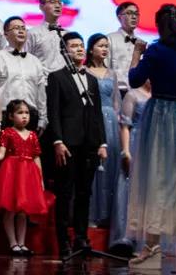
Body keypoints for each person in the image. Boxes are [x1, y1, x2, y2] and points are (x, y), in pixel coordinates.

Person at [126, 5, 176, 271]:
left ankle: (152, 246)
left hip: (160, 114)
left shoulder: (156, 50)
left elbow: (135, 80)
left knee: (156, 178)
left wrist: (137, 53)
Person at [44, 31, 107, 259]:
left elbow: (97, 113)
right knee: (65, 193)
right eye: (74, 46)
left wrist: (102, 142)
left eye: (81, 45)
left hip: (89, 143)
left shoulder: (91, 79)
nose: (80, 49)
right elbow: (54, 112)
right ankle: (63, 242)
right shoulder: (56, 77)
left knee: (84, 192)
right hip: (68, 143)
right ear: (64, 51)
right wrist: (58, 141)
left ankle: (82, 238)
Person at [0, 99, 47, 257]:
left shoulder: (32, 135)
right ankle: (13, 243)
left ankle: (22, 242)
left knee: (23, 211)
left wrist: (40, 178)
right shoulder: (7, 133)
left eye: (26, 113)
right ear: (11, 116)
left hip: (28, 175)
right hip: (12, 174)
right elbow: (1, 154)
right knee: (10, 209)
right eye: (20, 113)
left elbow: (36, 157)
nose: (24, 116)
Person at [107, 79, 151, 256]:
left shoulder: (158, 97)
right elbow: (125, 125)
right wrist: (126, 151)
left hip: (152, 143)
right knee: (129, 187)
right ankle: (125, 236)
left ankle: (146, 240)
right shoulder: (132, 95)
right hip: (136, 142)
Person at [85, 33, 121, 227]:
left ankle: (108, 214)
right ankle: (92, 214)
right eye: (100, 46)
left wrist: (117, 122)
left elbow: (116, 102)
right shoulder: (84, 71)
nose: (105, 49)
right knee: (94, 165)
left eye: (106, 46)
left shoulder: (112, 74)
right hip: (92, 118)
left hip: (111, 121)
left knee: (111, 165)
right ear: (91, 49)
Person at [0, 16, 46, 131]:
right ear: (6, 34)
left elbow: (41, 92)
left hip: (31, 116)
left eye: (23, 28)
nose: (21, 31)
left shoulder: (35, 61)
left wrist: (43, 118)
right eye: (16, 28)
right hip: (5, 116)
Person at [106, 1, 145, 95]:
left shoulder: (142, 43)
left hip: (138, 94)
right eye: (129, 13)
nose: (134, 17)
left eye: (136, 14)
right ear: (119, 17)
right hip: (116, 92)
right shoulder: (109, 39)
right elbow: (104, 69)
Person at [26, 0, 68, 74]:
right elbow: (25, 60)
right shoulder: (33, 33)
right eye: (52, 2)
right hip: (43, 80)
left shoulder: (67, 34)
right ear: (41, 6)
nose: (57, 6)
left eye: (60, 3)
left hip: (66, 80)